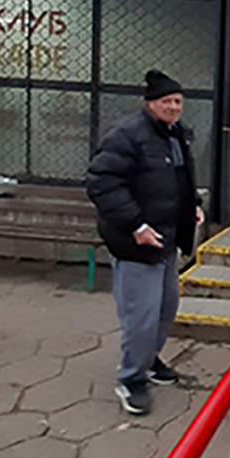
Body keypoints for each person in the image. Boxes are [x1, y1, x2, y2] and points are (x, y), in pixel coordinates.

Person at [86, 69, 204, 416]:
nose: (174, 107)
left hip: (165, 239)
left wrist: (193, 206)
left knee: (166, 308)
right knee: (141, 316)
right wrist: (135, 225)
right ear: (150, 103)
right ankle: (131, 379)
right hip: (136, 243)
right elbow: (101, 181)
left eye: (178, 101)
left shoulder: (175, 134)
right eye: (166, 101)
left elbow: (180, 179)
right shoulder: (128, 134)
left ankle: (148, 359)